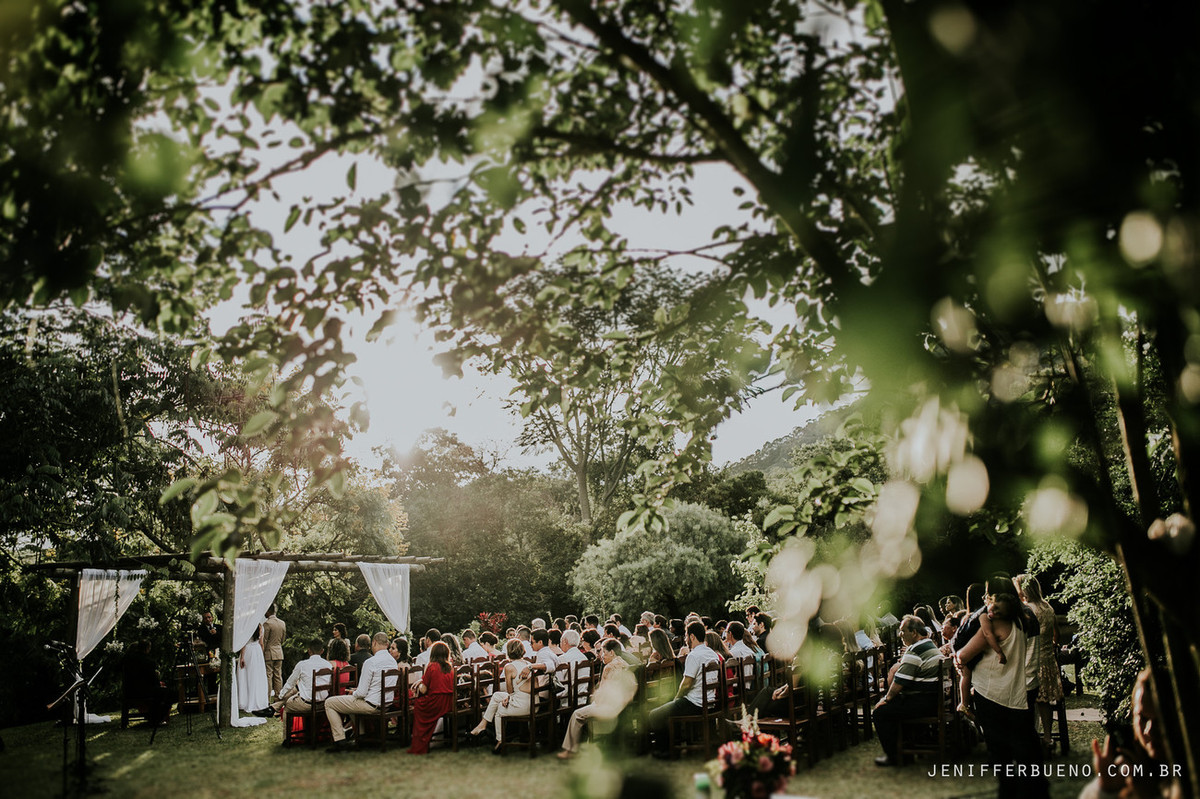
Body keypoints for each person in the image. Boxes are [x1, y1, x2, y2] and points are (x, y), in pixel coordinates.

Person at [957, 593, 1049, 799]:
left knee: (1001, 753)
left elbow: (964, 654)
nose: (992, 607)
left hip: (993, 691)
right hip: (1019, 687)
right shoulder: (1025, 620)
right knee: (1024, 746)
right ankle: (1034, 789)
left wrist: (959, 658)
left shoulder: (993, 623)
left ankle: (1010, 792)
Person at [1080, 668, 1182, 799]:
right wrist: (1105, 788)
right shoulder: (1132, 768)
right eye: (1143, 718)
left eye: (1161, 720)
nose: (1149, 730)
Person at [872, 615, 944, 767]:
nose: (900, 634)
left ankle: (895, 756)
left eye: (903, 631)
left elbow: (900, 681)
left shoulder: (916, 650)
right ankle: (906, 748)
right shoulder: (930, 645)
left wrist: (886, 699)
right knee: (895, 706)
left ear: (914, 633)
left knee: (880, 713)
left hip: (922, 703)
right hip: (933, 699)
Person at [648, 621, 721, 757]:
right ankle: (671, 746)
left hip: (694, 703)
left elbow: (686, 683)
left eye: (687, 636)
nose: (686, 639)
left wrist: (677, 698)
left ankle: (664, 751)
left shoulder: (694, 655)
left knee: (654, 715)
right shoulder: (712, 654)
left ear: (692, 636)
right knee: (666, 709)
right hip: (709, 701)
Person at [556, 638, 638, 759]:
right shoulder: (626, 664)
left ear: (612, 652)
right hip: (624, 703)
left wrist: (594, 698)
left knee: (577, 714)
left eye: (604, 652)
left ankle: (571, 750)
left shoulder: (609, 667)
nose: (601, 656)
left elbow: (602, 695)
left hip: (610, 706)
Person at [324, 632, 397, 752]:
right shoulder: (392, 661)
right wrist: (356, 692)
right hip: (386, 703)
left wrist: (354, 693)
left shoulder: (371, 662)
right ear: (387, 644)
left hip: (372, 705)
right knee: (352, 703)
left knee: (329, 703)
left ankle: (340, 740)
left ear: (374, 643)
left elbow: (362, 693)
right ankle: (362, 736)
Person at [1016, 574, 1063, 754]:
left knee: (1029, 700)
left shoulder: (1027, 610)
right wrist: (1050, 646)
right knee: (1044, 702)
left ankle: (1031, 736)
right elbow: (1056, 634)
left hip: (1031, 662)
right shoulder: (1047, 607)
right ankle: (1048, 736)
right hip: (1048, 662)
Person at [469, 639, 534, 751]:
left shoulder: (509, 667)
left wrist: (508, 697)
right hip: (533, 703)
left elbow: (510, 691)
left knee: (499, 710)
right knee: (496, 696)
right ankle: (483, 725)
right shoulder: (529, 664)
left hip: (522, 706)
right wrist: (508, 697)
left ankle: (500, 740)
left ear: (508, 652)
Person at [270, 638, 333, 732]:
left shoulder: (302, 665)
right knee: (297, 692)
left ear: (309, 651)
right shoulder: (328, 665)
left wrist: (281, 695)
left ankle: (286, 738)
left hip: (307, 704)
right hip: (323, 704)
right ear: (322, 651)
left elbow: (290, 683)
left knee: (287, 706)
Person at [408, 641, 455, 754]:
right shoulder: (450, 667)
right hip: (448, 701)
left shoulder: (432, 666)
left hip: (436, 701)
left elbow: (424, 689)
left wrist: (419, 684)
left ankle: (421, 742)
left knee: (419, 705)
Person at [122, 639, 174, 726]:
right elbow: (154, 681)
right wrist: (156, 676)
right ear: (147, 649)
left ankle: (153, 716)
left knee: (160, 692)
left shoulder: (126, 660)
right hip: (144, 691)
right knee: (168, 693)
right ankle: (156, 718)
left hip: (128, 691)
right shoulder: (148, 662)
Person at [237, 624, 270, 714]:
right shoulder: (260, 627)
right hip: (257, 651)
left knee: (246, 676)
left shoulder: (247, 625)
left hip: (248, 651)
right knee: (257, 677)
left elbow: (244, 643)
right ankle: (258, 700)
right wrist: (260, 655)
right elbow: (261, 643)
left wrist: (242, 657)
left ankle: (246, 701)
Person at [262, 604, 287, 702]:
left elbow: (264, 641)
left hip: (269, 653)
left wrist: (262, 653)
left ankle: (267, 699)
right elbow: (283, 639)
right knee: (278, 676)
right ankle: (278, 697)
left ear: (268, 611)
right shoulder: (282, 623)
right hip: (279, 652)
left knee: (268, 675)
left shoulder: (267, 624)